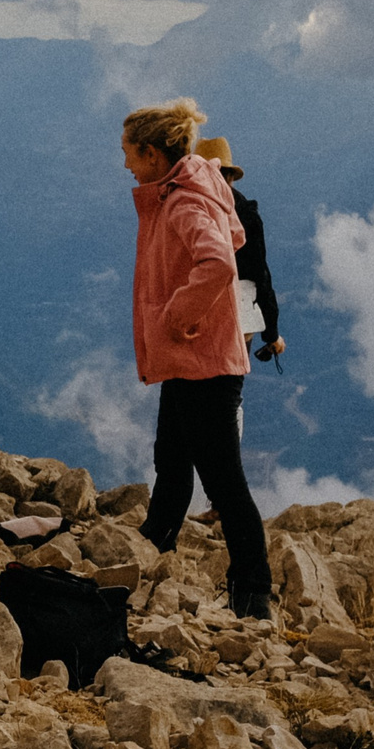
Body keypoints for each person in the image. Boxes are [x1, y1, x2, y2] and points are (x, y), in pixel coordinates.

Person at [127, 99, 273, 620]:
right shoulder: (181, 193)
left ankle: (253, 591)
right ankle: (156, 540)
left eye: (130, 154)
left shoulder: (185, 204)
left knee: (223, 480)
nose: (126, 166)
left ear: (152, 152)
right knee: (171, 453)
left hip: (205, 362)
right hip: (192, 360)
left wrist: (175, 317)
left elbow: (216, 264)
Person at [193, 138, 283, 364]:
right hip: (237, 318)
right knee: (228, 389)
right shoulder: (245, 214)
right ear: (230, 176)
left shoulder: (186, 209)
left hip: (194, 320)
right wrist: (271, 333)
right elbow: (260, 274)